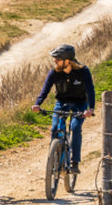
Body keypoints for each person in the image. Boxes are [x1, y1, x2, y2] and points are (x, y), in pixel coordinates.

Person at [32, 44, 95, 175]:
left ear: (67, 61)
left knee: (75, 127)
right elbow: (45, 90)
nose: (55, 61)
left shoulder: (83, 71)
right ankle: (55, 158)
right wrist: (37, 103)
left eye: (57, 59)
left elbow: (90, 90)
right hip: (62, 103)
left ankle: (74, 162)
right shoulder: (55, 73)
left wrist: (90, 108)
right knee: (55, 128)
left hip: (80, 104)